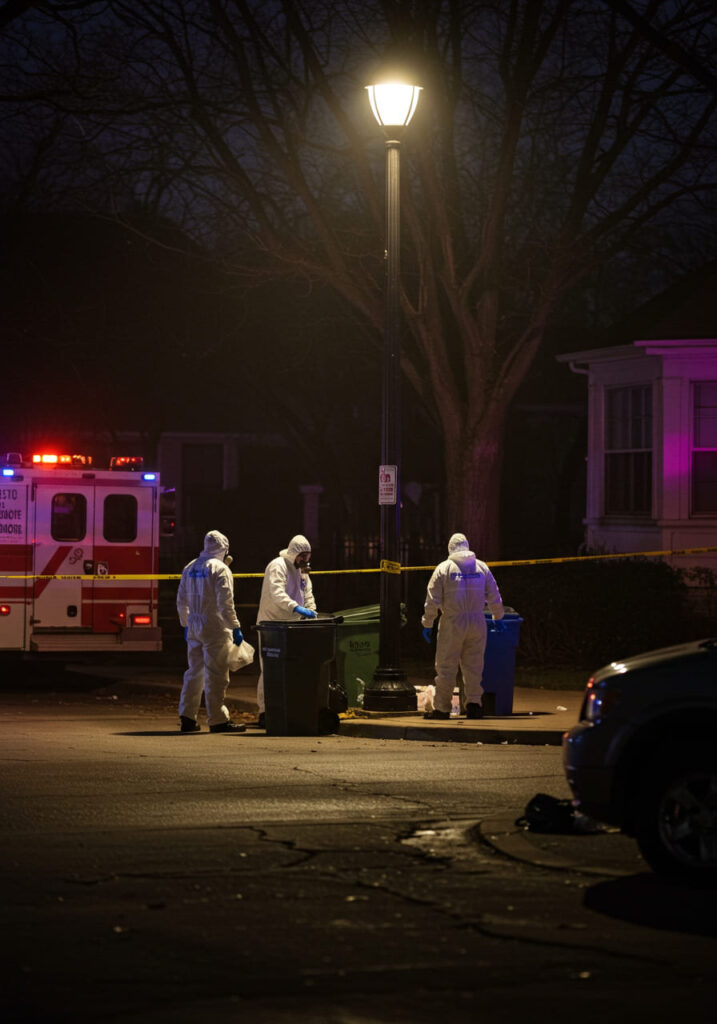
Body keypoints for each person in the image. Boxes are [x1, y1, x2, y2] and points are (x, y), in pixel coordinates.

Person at [421, 532, 504, 720]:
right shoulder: (481, 567)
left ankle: (442, 708)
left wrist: (428, 622)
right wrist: (498, 616)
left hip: (452, 622)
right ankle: (474, 704)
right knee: (474, 666)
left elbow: (432, 599)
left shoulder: (444, 568)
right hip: (477, 621)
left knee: (446, 666)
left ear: (450, 548)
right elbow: (494, 594)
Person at [176, 530, 246, 734]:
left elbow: (181, 600)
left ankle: (187, 717)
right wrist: (235, 626)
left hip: (195, 625)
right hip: (215, 626)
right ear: (224, 549)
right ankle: (217, 720)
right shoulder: (221, 569)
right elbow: (225, 603)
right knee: (216, 674)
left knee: (194, 672)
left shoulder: (190, 567)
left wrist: (186, 623)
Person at [254, 535, 317, 727]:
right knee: (270, 668)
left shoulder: (302, 571)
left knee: (290, 668)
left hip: (291, 624)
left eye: (308, 556)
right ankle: (265, 711)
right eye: (302, 556)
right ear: (294, 553)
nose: (305, 560)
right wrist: (296, 608)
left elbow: (307, 593)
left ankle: (286, 707)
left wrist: (311, 611)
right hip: (271, 623)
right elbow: (277, 593)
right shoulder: (278, 566)